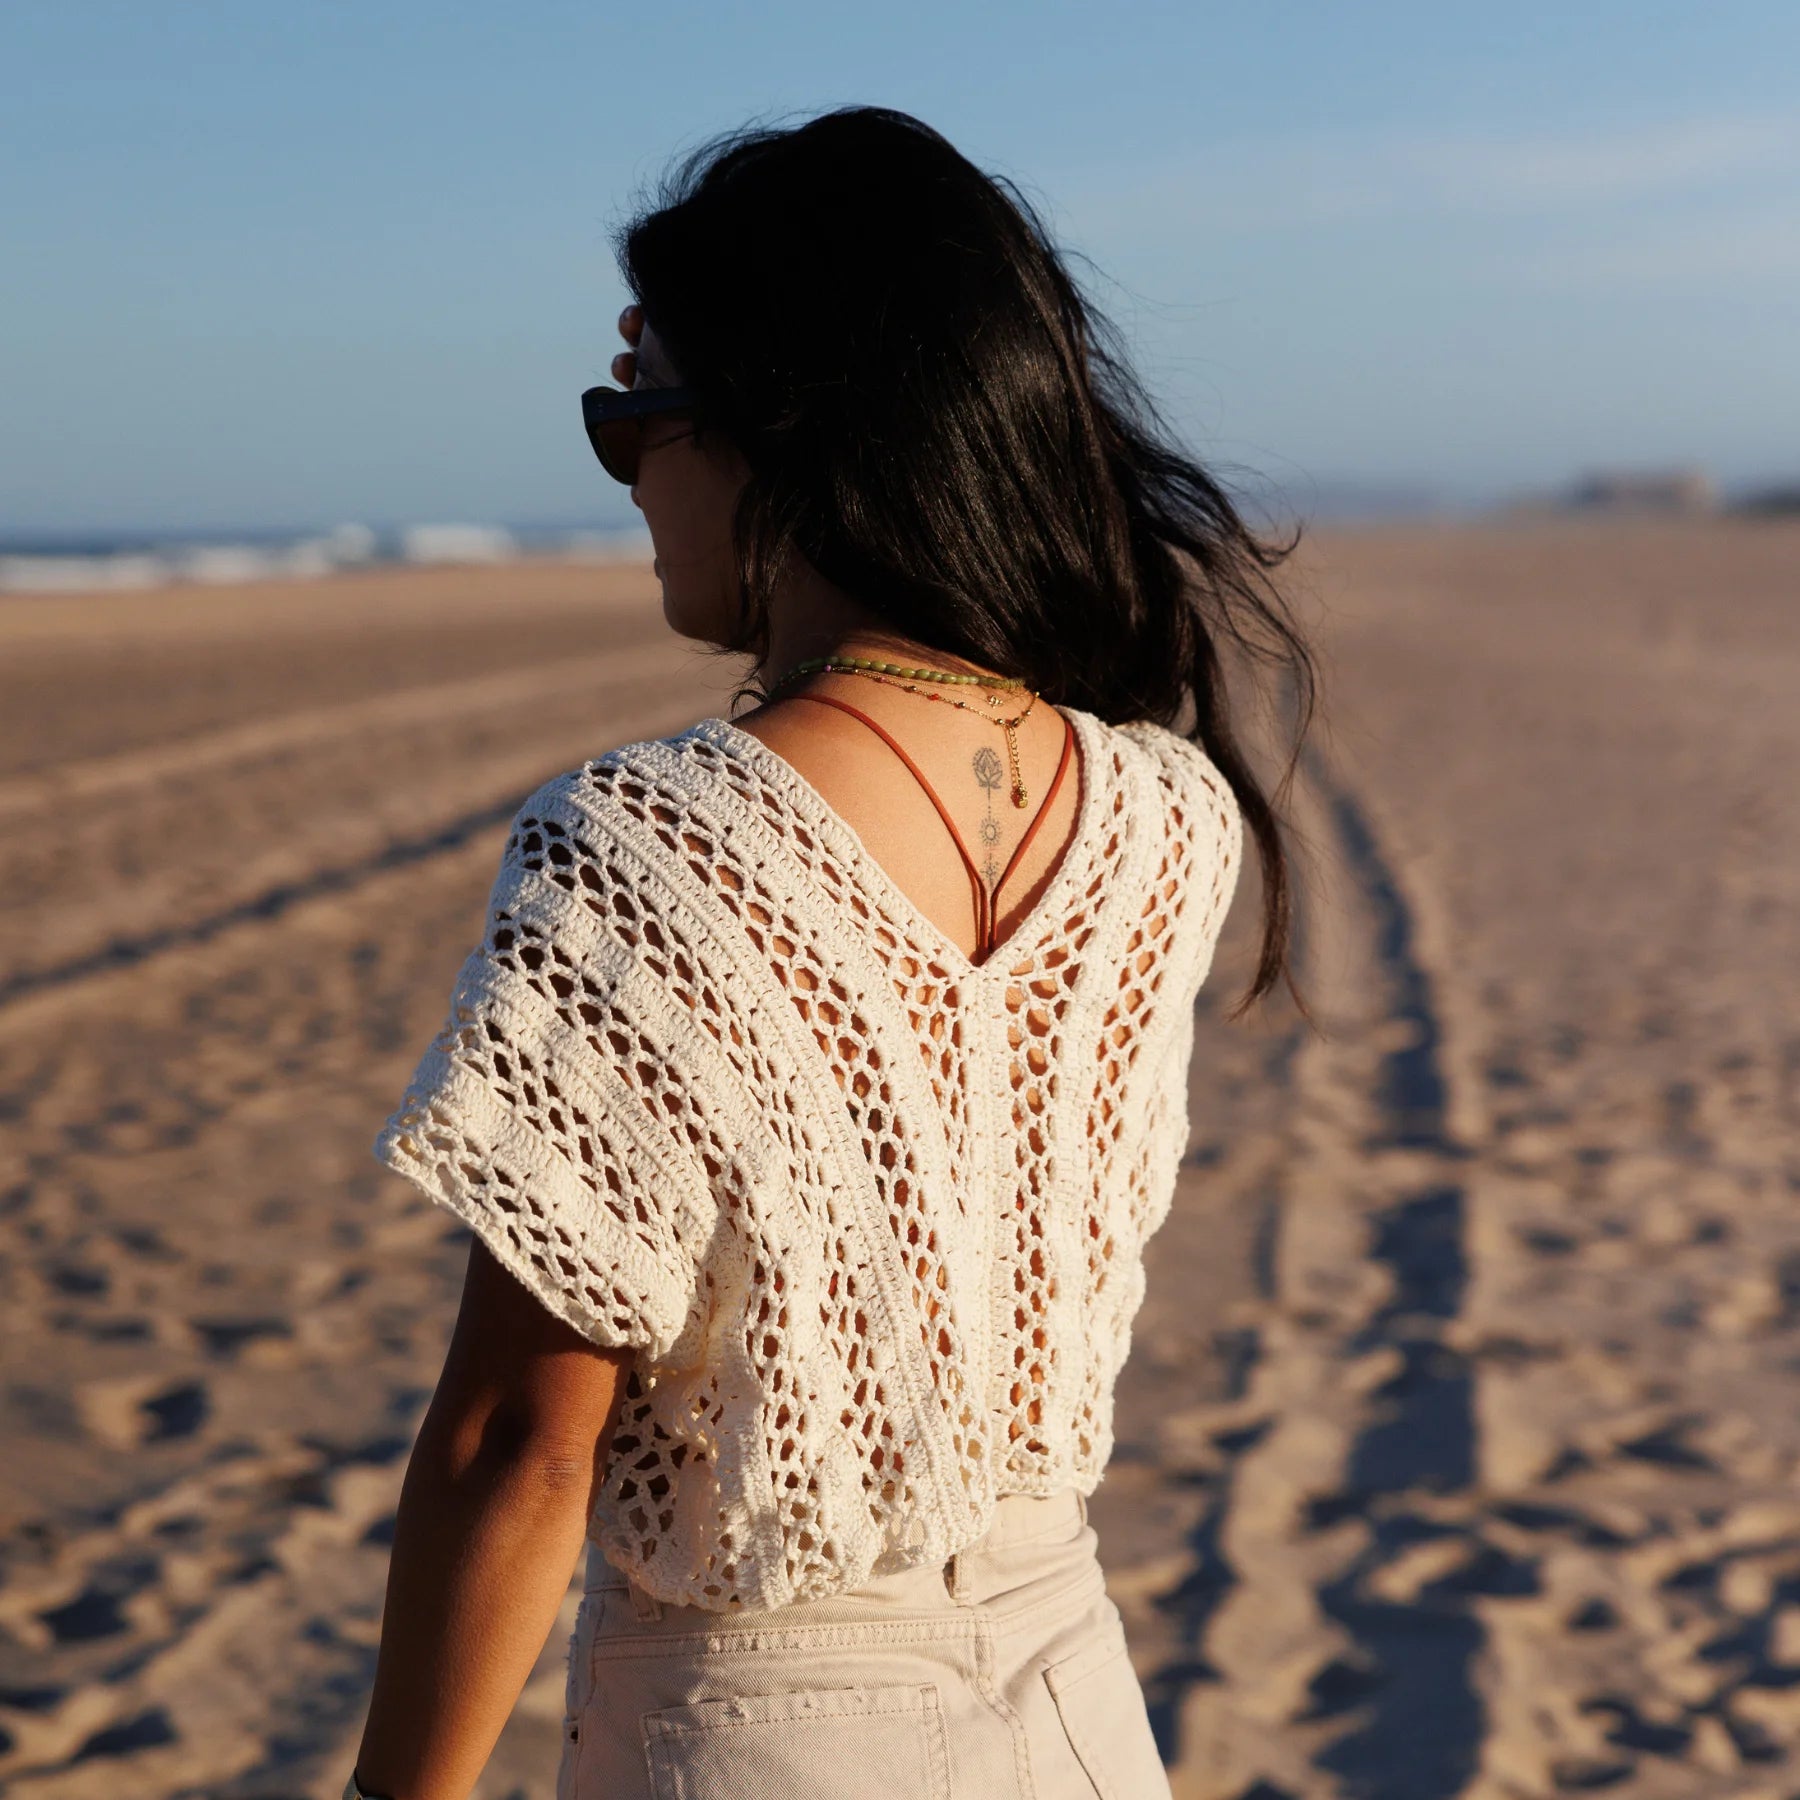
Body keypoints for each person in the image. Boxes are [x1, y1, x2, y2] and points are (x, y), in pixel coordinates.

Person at [344, 104, 1320, 1800]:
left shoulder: (646, 844)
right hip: (1079, 1711)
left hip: (752, 1733)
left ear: (775, 437)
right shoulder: (1167, 815)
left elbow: (521, 1441)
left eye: (632, 416)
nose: (632, 473)